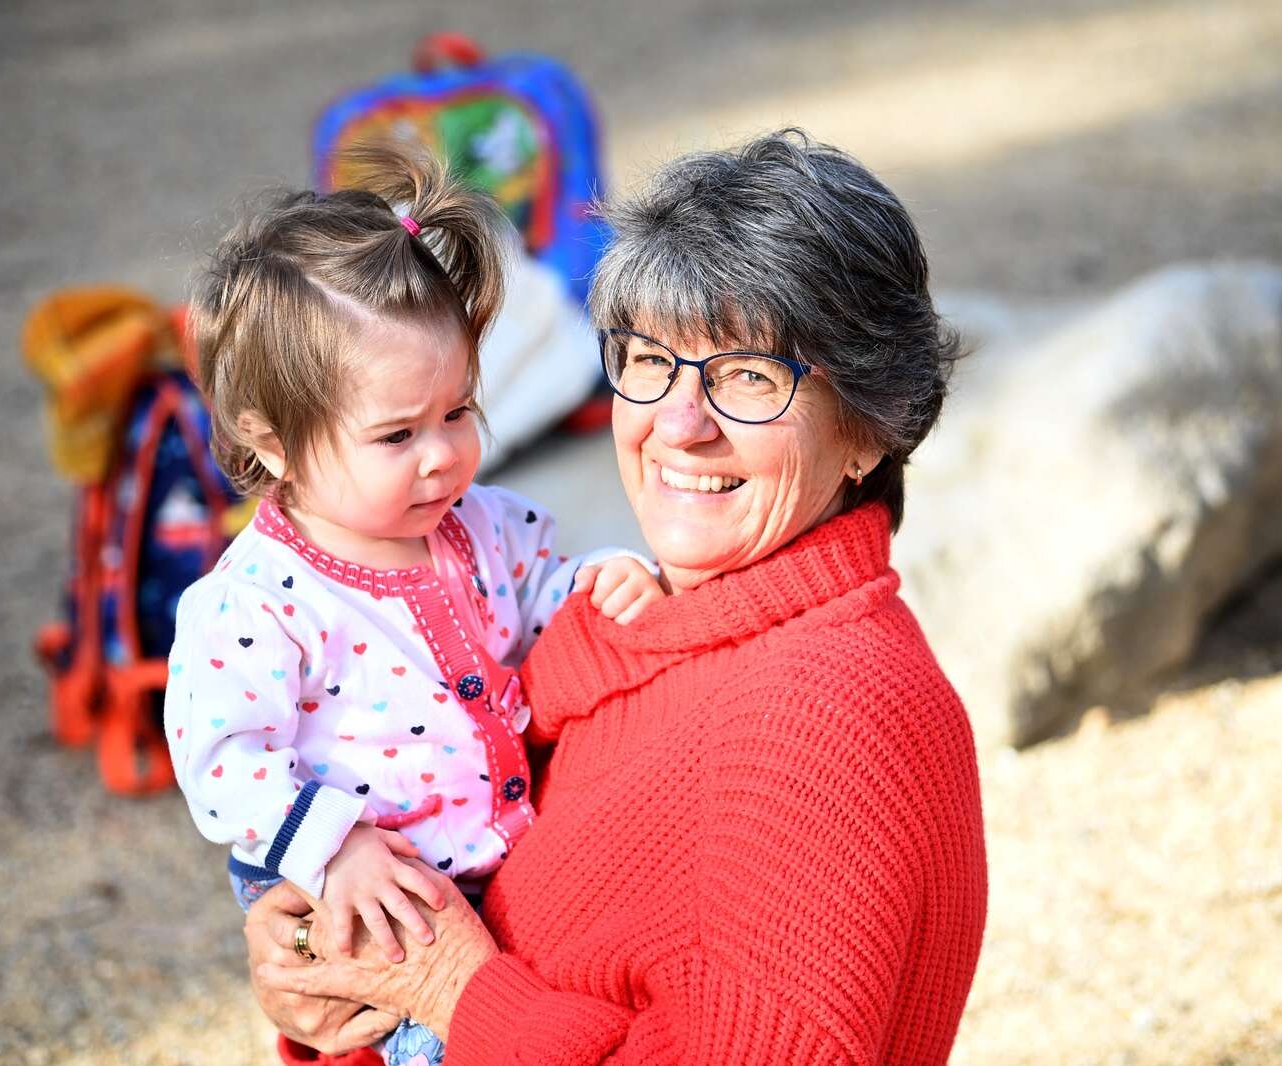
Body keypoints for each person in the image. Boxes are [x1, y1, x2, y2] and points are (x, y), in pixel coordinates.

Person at [243, 128, 990, 1065]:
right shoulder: (612, 623)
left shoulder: (825, 714)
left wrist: (455, 993)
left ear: (869, 431)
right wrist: (330, 974)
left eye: (748, 377)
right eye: (649, 361)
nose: (679, 425)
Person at [163, 142, 662, 1066]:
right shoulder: (256, 603)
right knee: (436, 1041)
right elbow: (224, 758)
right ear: (272, 444)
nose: (442, 455)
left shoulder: (485, 523)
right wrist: (333, 848)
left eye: (458, 411)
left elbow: (538, 597)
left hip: (486, 849)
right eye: (396, 433)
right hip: (368, 883)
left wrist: (596, 583)